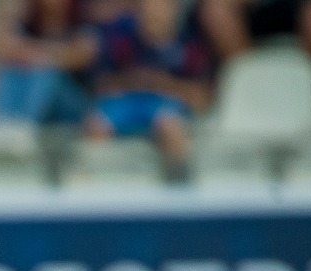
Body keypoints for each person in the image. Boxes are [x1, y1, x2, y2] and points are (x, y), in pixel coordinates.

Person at [85, 0, 215, 173]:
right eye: (149, 7)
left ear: (175, 12)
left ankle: (178, 182)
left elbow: (201, 98)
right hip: (125, 101)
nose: (155, 13)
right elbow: (101, 86)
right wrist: (131, 81)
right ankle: (95, 179)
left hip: (166, 103)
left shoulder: (189, 46)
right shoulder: (121, 39)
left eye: (162, 8)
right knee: (96, 123)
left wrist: (162, 84)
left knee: (169, 125)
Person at [0, 0, 98, 152]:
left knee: (46, 73)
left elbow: (82, 56)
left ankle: (20, 130)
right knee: (10, 72)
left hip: (73, 103)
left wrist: (33, 54)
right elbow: (0, 47)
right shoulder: (28, 14)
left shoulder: (83, 13)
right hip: (36, 96)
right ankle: (3, 126)